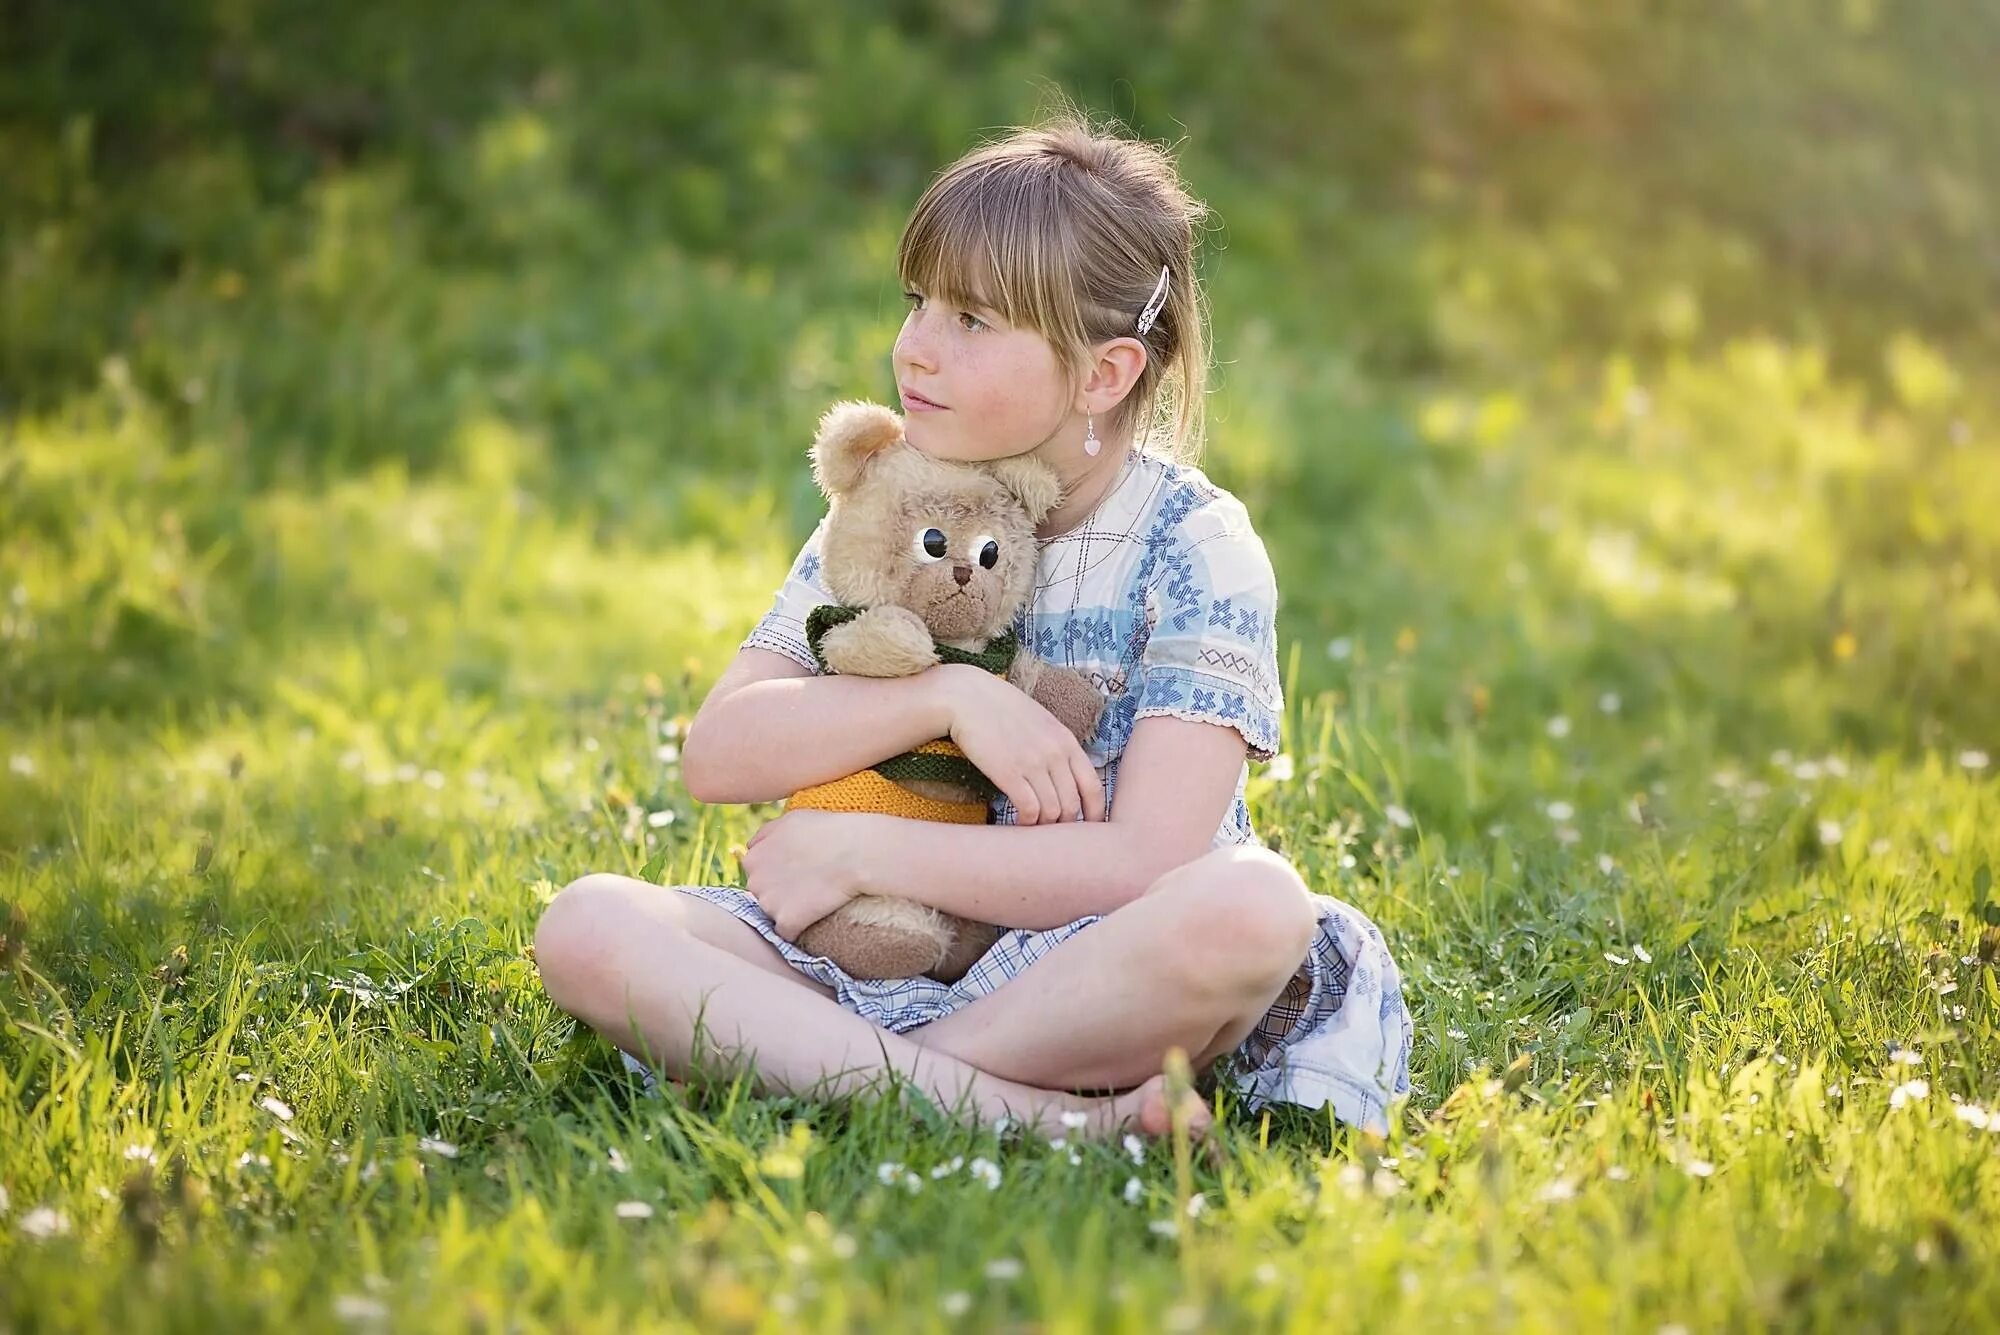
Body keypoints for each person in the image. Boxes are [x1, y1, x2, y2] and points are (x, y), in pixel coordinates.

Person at [535, 109, 1412, 1142]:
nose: (913, 350)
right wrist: (949, 693)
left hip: (1087, 964)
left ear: (1101, 375)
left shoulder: (1192, 544)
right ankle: (1017, 1112)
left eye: (971, 321)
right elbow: (721, 752)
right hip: (862, 953)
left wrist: (862, 854)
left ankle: (820, 1072)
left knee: (1253, 908)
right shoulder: (893, 501)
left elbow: (1147, 863)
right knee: (586, 924)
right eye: (917, 303)